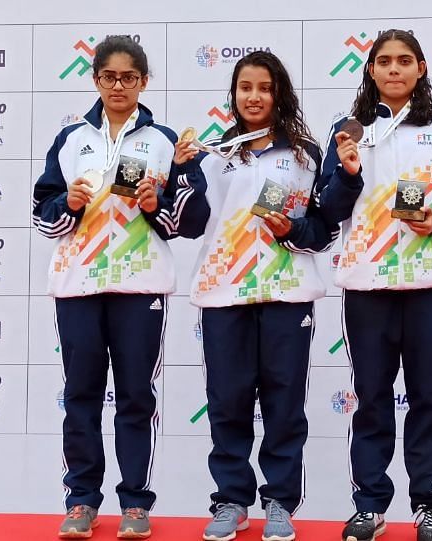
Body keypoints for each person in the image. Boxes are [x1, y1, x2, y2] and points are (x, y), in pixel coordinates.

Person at [317, 29, 432, 541]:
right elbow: (326, 210)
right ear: (370, 70)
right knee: (371, 397)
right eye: (384, 62)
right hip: (366, 286)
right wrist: (347, 174)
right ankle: (370, 505)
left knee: (426, 396)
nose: (394, 70)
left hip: (429, 287)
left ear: (420, 69)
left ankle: (428, 507)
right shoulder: (347, 131)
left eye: (404, 61)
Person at [170, 50, 339, 541]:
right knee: (228, 401)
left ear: (278, 93)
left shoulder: (305, 153)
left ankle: (280, 504)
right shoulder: (217, 153)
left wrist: (292, 229)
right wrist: (183, 172)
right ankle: (232, 500)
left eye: (264, 87)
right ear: (234, 94)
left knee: (285, 402)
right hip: (224, 291)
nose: (254, 96)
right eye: (246, 87)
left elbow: (323, 228)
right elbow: (194, 225)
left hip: (287, 291)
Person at [32, 35, 181, 539]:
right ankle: (81, 501)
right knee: (82, 394)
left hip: (140, 288)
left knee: (137, 396)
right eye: (110, 77)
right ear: (96, 79)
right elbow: (43, 216)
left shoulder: (162, 141)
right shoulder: (72, 139)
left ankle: (135, 503)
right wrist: (68, 205)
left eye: (130, 77)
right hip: (79, 285)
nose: (119, 86)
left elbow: (181, 221)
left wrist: (153, 205)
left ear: (144, 82)